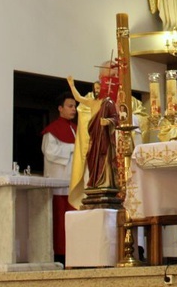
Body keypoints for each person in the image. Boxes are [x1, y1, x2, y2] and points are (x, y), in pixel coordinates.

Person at [66, 75, 119, 209]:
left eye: (98, 88)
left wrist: (108, 121)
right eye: (95, 88)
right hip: (94, 138)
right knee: (92, 159)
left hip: (105, 139)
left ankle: (105, 183)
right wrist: (72, 85)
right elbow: (78, 98)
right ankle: (95, 183)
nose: (96, 90)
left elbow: (116, 118)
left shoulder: (109, 103)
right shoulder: (92, 102)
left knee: (104, 160)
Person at [41, 91, 77, 263]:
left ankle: (75, 254)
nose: (74, 109)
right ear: (60, 108)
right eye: (70, 106)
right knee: (60, 223)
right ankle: (60, 255)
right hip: (59, 184)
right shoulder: (52, 132)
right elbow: (50, 153)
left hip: (74, 184)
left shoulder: (76, 129)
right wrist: (72, 148)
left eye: (75, 106)